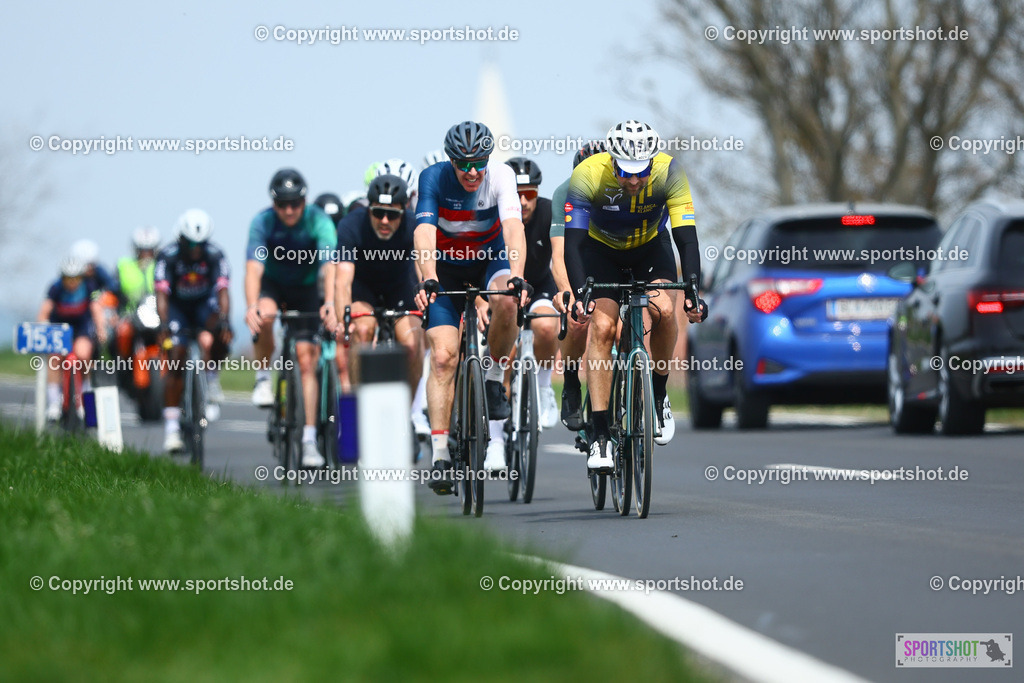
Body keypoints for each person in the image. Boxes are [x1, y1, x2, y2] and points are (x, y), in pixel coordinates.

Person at [557, 121, 706, 472]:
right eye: (626, 172)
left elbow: (686, 238)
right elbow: (573, 245)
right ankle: (600, 435)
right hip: (600, 252)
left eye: (642, 171)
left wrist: (693, 289)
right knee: (603, 327)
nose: (635, 180)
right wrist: (581, 296)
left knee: (664, 310)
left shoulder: (669, 171)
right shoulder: (588, 174)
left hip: (650, 249)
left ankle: (658, 394)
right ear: (612, 161)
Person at [414, 120, 530, 493]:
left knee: (508, 302)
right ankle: (440, 454)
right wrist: (428, 277)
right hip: (445, 268)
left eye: (479, 162)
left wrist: (517, 275)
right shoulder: (433, 178)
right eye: (463, 163)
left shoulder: (501, 175)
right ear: (450, 160)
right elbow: (424, 232)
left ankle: (494, 379)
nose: (472, 171)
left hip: (488, 259)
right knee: (443, 358)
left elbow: (513, 228)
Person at [245, 168, 337, 467]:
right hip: (274, 284)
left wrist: (330, 302)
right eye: (281, 204)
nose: (288, 210)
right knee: (265, 314)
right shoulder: (262, 222)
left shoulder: (318, 221)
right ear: (273, 203)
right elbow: (253, 269)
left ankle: (309, 440)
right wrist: (251, 305)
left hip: (307, 289)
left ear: (304, 201)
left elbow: (330, 267)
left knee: (307, 360)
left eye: (295, 203)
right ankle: (262, 377)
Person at [334, 174, 424, 431]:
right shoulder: (351, 225)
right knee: (362, 330)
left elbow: (423, 269)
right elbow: (342, 280)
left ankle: (406, 414)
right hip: (364, 290)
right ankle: (359, 406)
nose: (385, 221)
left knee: (412, 342)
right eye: (378, 213)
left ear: (404, 211)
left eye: (392, 215)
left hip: (400, 288)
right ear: (369, 208)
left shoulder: (414, 225)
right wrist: (344, 319)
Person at [154, 210, 232, 452]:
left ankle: (211, 378)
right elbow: (161, 294)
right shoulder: (167, 256)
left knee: (220, 334)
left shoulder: (216, 254)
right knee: (176, 357)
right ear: (181, 239)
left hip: (203, 306)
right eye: (190, 244)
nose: (196, 249)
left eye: (201, 244)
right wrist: (163, 323)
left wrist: (224, 319)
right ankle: (172, 429)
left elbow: (223, 292)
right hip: (177, 308)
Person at [550, 141, 604, 430]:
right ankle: (571, 381)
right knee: (577, 321)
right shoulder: (564, 193)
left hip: (610, 259)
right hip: (577, 261)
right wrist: (568, 293)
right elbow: (559, 255)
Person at [38, 256, 107, 420]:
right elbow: (45, 311)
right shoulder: (55, 288)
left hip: (82, 328)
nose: (71, 283)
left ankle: (86, 401)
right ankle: (54, 403)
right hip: (59, 328)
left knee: (83, 355)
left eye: (75, 278)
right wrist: (42, 327)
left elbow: (96, 309)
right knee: (55, 359)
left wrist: (101, 329)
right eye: (67, 279)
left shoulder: (89, 287)